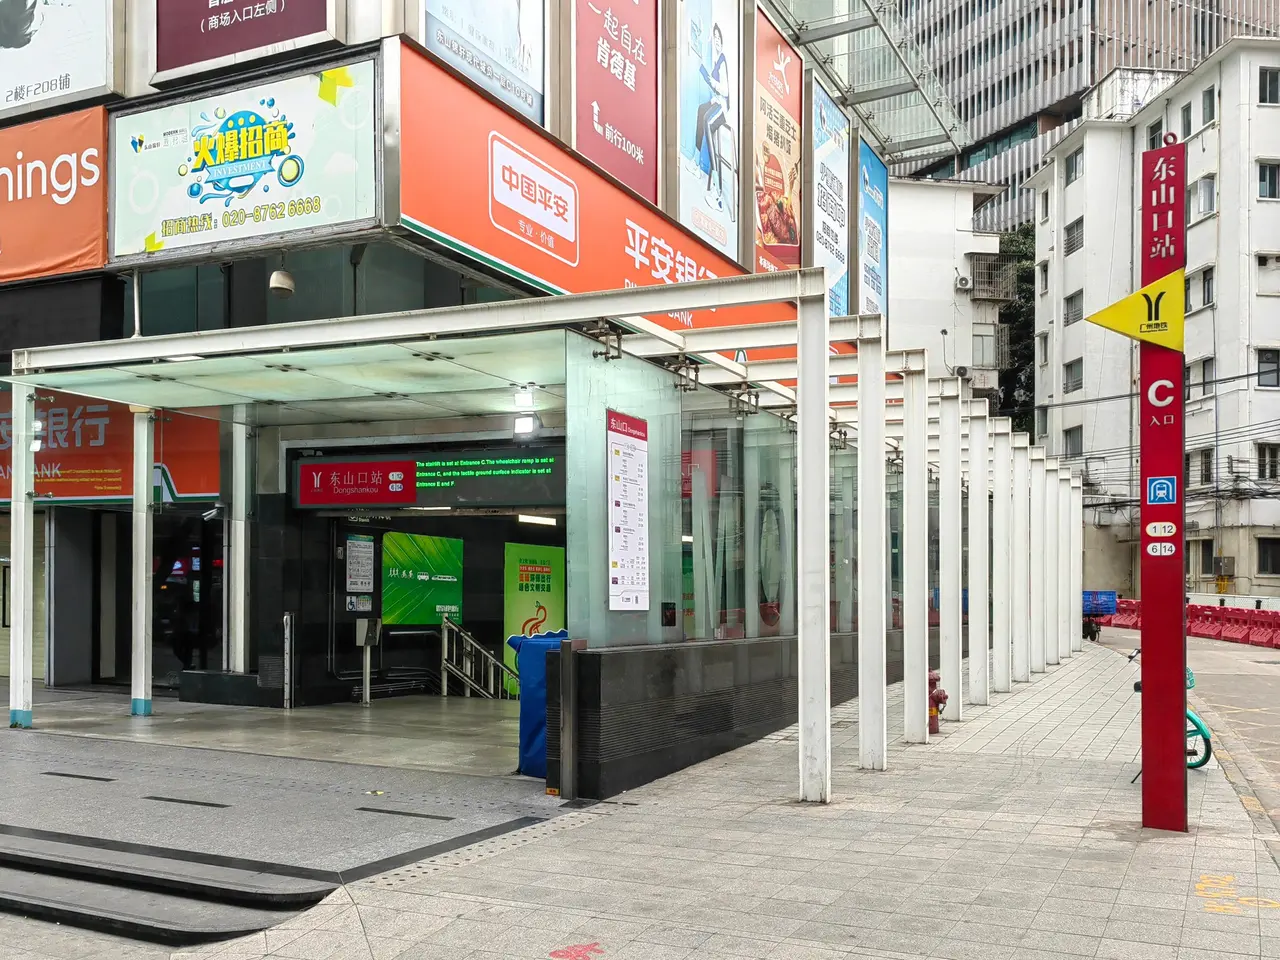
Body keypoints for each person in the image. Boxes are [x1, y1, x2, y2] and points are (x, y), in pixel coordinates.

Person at [694, 23, 731, 210]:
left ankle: (718, 195)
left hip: (722, 109)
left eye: (718, 38)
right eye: (714, 38)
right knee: (701, 110)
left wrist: (712, 82)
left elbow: (725, 90)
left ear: (721, 41)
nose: (716, 41)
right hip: (716, 102)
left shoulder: (722, 61)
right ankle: (695, 162)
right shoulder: (717, 60)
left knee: (708, 123)